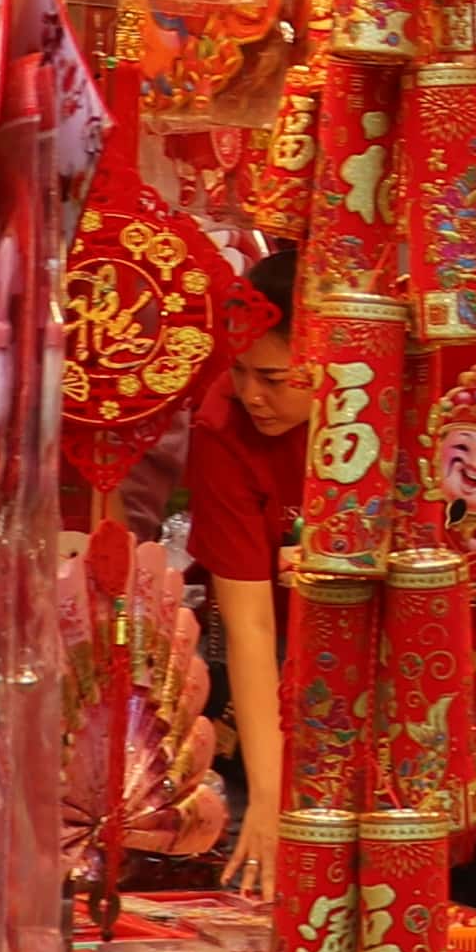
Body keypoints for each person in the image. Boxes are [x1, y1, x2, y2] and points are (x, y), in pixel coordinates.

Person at [185, 297, 319, 896]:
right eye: (239, 371)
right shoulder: (222, 424)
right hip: (266, 647)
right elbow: (252, 628)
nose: (251, 394)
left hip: (370, 651)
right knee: (256, 837)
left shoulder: (386, 407)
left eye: (272, 377)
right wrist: (268, 797)